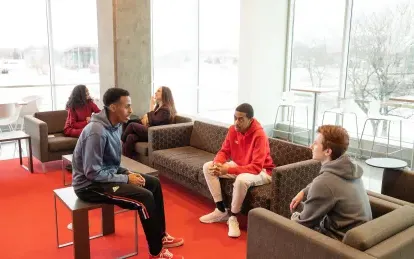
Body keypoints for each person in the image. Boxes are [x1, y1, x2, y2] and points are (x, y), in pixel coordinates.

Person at [71, 88, 184, 259]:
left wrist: (126, 173)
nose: (131, 111)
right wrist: (125, 178)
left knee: (153, 183)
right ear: (113, 107)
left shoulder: (115, 125)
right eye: (127, 106)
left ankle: (161, 235)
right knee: (144, 197)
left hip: (106, 178)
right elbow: (92, 173)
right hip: (90, 186)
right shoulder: (96, 131)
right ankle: (156, 252)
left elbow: (111, 163)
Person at [199, 103, 275, 238]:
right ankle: (221, 210)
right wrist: (217, 164)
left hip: (263, 171)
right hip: (241, 164)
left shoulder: (260, 135)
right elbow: (224, 151)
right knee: (208, 167)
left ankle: (233, 217)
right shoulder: (233, 130)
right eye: (235, 117)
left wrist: (228, 169)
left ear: (250, 120)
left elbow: (256, 166)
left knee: (241, 180)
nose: (236, 122)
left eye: (241, 119)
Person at [290, 125, 372, 240]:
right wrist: (304, 191)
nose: (311, 146)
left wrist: (293, 217)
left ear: (328, 151)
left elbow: (302, 224)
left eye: (315, 143)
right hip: (357, 235)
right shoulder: (349, 169)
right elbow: (327, 185)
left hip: (336, 243)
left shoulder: (324, 183)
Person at [122, 86, 177, 158]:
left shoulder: (166, 110)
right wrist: (147, 116)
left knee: (132, 125)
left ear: (165, 94)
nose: (155, 92)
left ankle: (120, 141)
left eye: (158, 91)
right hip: (150, 131)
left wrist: (150, 107)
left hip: (157, 134)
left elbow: (154, 120)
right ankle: (127, 158)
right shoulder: (158, 107)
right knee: (130, 137)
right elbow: (151, 118)